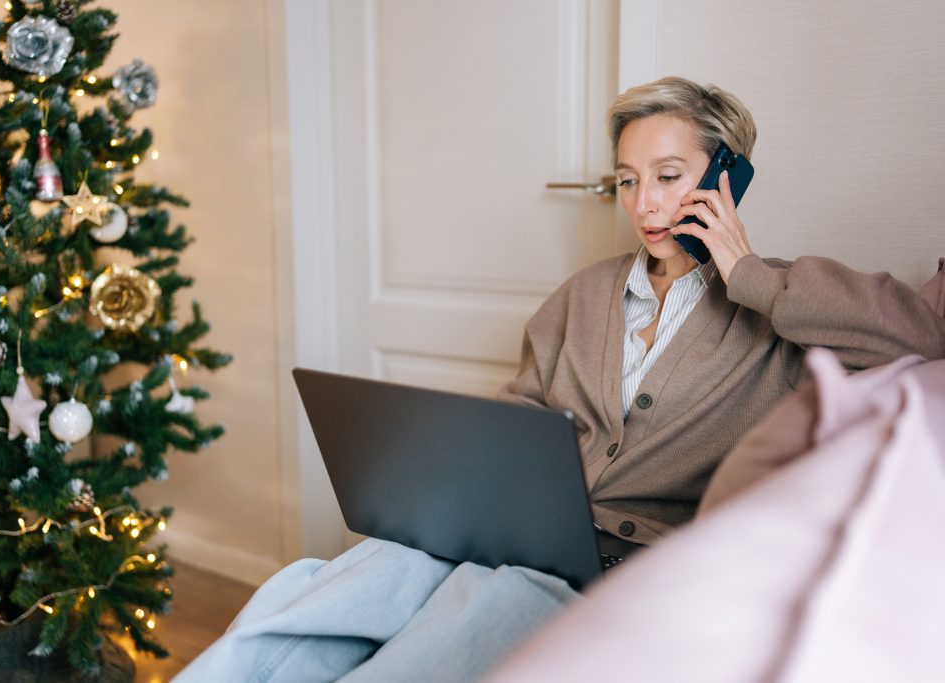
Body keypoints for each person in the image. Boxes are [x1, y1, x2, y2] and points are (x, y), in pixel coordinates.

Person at [175, 77, 945, 683]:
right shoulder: (583, 295)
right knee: (344, 576)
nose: (644, 204)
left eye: (669, 176)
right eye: (627, 180)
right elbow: (519, 416)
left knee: (483, 612)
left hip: (608, 567)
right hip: (514, 530)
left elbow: (922, 336)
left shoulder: (781, 307)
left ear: (729, 174)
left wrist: (749, 274)